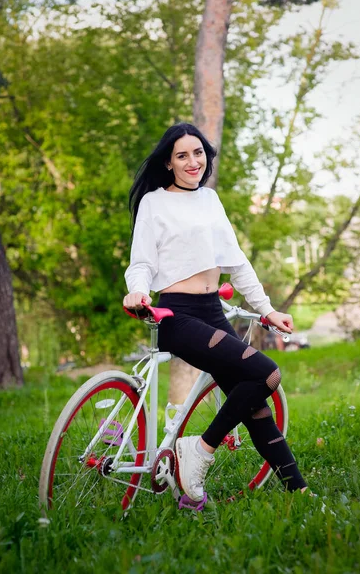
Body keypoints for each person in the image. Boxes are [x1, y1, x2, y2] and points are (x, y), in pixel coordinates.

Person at [123, 122, 310, 502]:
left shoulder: (209, 200)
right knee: (266, 372)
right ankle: (200, 450)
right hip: (178, 315)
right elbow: (140, 262)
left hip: (212, 312)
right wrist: (137, 293)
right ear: (169, 163)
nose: (193, 161)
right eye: (182, 156)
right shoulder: (155, 202)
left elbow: (236, 262)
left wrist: (268, 310)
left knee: (257, 410)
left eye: (198, 153)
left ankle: (302, 493)